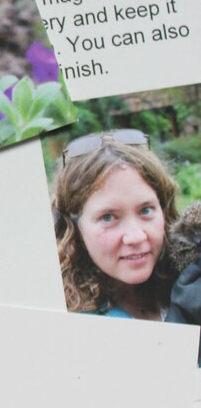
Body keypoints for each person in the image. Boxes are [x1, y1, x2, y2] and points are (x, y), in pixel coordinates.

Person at [51, 130, 180, 320]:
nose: (136, 236)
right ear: (74, 227)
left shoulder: (187, 282)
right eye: (108, 217)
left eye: (145, 210)